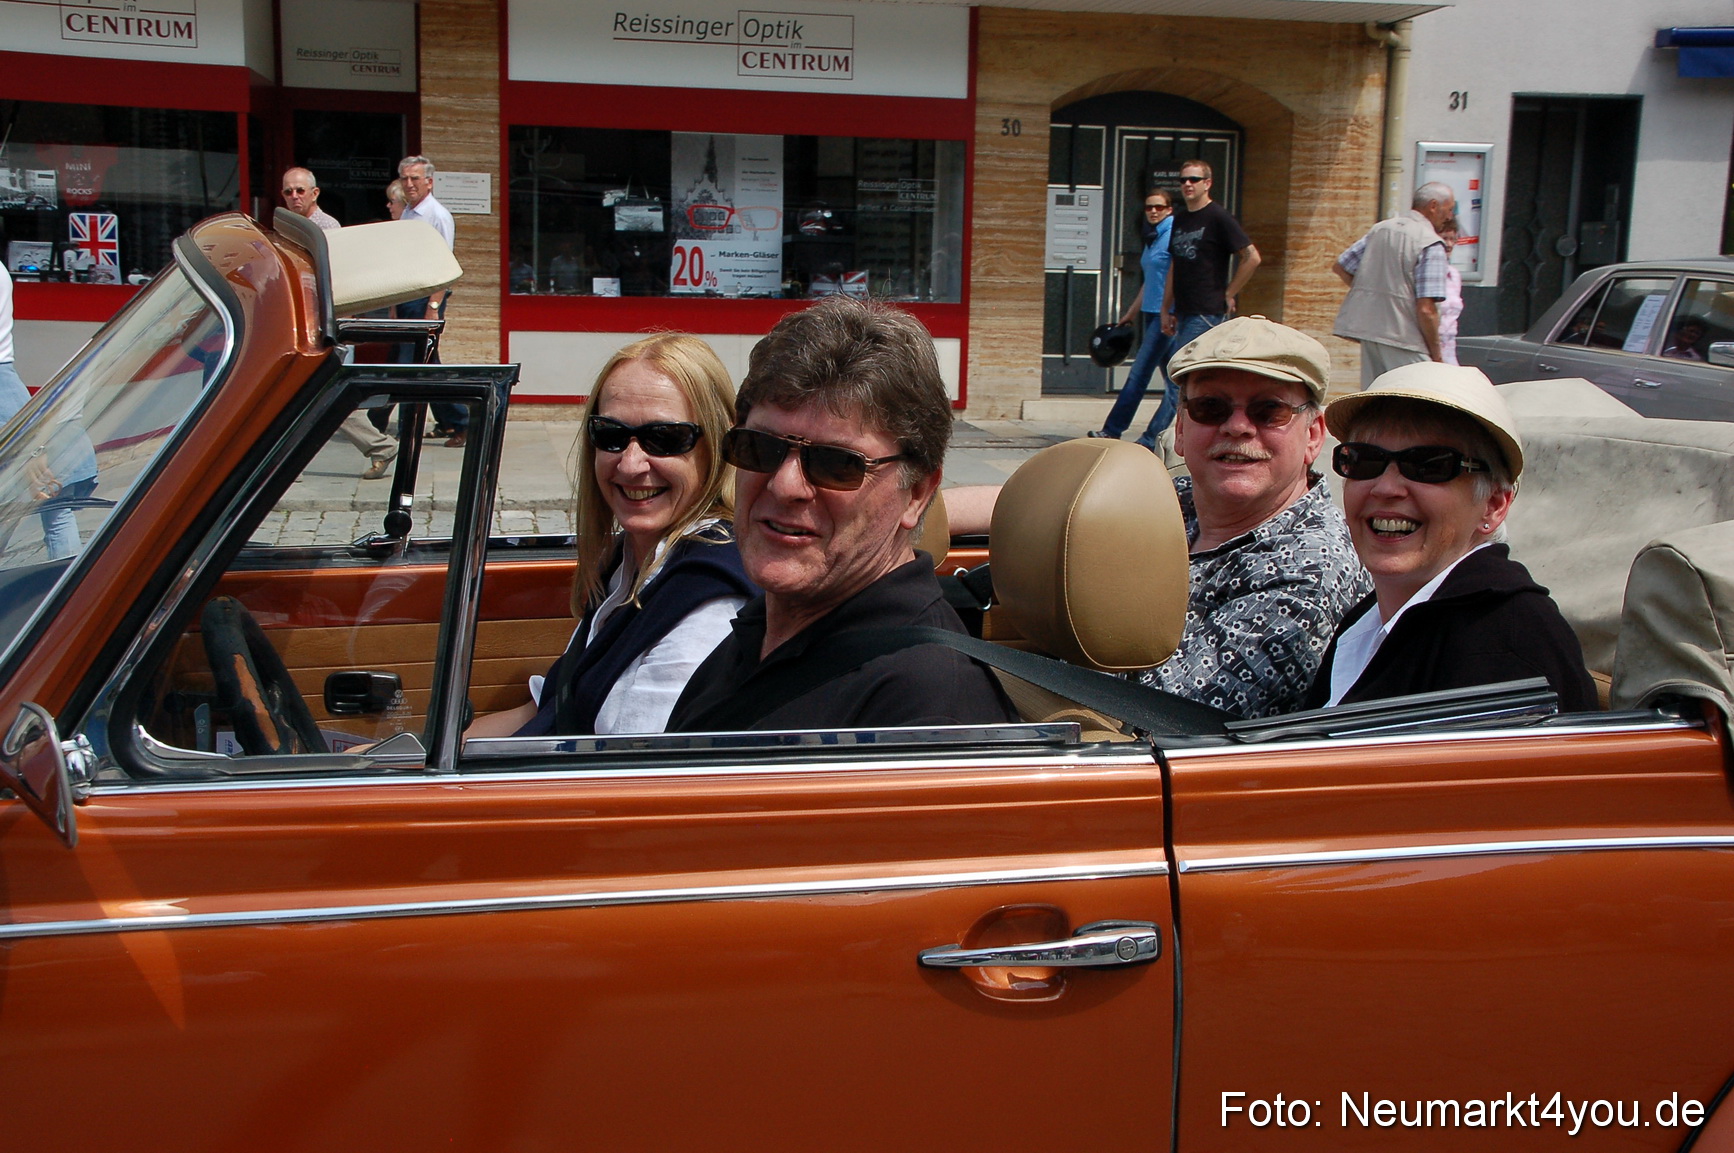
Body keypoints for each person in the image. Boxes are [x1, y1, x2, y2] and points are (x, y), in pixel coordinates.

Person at [944, 316, 1370, 719]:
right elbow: (1048, 504)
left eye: (1268, 411)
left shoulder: (1310, 570)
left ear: (1313, 435)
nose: (1237, 427)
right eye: (1210, 408)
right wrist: (920, 516)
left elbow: (1160, 716)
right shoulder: (1180, 500)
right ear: (1181, 429)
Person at [667, 296, 1018, 732]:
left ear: (916, 493)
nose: (785, 485)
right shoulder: (766, 628)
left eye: (836, 464)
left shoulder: (926, 706)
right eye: (760, 448)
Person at [468, 334, 755, 738]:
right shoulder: (631, 561)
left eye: (665, 438)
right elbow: (555, 704)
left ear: (719, 445)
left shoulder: (707, 604)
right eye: (611, 434)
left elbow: (635, 765)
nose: (631, 464)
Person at [1303, 361, 1596, 711]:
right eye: (1365, 461)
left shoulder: (1506, 644)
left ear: (1493, 505)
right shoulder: (1369, 620)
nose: (1386, 488)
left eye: (1429, 465)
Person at [0, 262, 99, 559]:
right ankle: (69, 579)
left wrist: (32, 449)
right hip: (44, 418)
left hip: (18, 409)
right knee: (56, 512)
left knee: (29, 508)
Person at [1332, 181, 1456, 387]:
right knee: (1422, 395)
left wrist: (1374, 296)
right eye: (1449, 209)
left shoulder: (1381, 229)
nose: (1450, 216)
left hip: (1371, 331)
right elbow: (1426, 309)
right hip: (1405, 336)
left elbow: (1342, 266)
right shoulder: (1430, 243)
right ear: (1433, 206)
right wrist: (1437, 356)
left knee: (1376, 396)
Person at [1159, 160, 1260, 381]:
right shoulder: (1180, 219)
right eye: (1183, 180)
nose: (1187, 184)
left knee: (1184, 375)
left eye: (1194, 179)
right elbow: (1175, 263)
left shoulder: (1218, 217)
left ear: (1207, 183)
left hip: (1206, 311)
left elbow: (1252, 257)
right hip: (1183, 310)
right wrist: (1166, 308)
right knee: (1184, 376)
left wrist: (1229, 293)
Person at [1090, 187, 1177, 444]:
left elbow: (1177, 277)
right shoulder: (1153, 237)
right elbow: (1150, 281)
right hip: (1151, 313)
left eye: (1159, 207)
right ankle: (1151, 438)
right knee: (1175, 384)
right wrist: (1131, 312)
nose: (1153, 211)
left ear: (1169, 210)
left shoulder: (1173, 235)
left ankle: (1114, 430)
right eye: (1149, 207)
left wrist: (1168, 311)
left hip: (1166, 316)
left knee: (1139, 374)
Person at [397, 154, 465, 446]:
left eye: (415, 178)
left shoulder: (437, 215)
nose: (409, 184)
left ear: (429, 182)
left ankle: (407, 431)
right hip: (408, 295)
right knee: (427, 362)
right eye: (405, 178)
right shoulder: (408, 213)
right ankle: (455, 421)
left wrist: (433, 307)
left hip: (425, 299)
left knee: (410, 365)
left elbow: (445, 266)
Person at [280, 167, 341, 231]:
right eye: (288, 192)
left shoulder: (328, 226)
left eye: (300, 191)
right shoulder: (283, 227)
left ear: (314, 193)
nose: (294, 196)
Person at [1437, 218, 1463, 366]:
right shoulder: (1423, 272)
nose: (1449, 244)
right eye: (1445, 238)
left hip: (1449, 346)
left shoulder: (1454, 275)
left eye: (1453, 239)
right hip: (1429, 344)